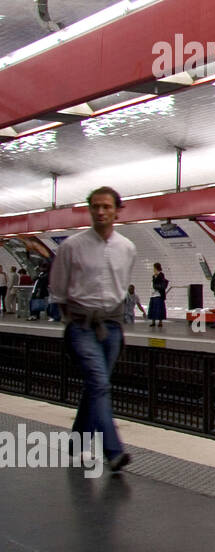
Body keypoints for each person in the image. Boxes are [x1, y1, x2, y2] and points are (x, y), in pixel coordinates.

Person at [48, 186, 136, 473]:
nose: (100, 212)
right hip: (81, 325)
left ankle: (76, 443)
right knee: (99, 384)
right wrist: (72, 320)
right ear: (89, 210)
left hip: (111, 326)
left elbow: (122, 288)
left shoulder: (127, 248)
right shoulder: (71, 246)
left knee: (94, 388)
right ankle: (114, 452)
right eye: (95, 207)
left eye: (106, 207)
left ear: (116, 210)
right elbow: (58, 290)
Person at [147, 262, 169, 327]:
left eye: (154, 268)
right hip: (153, 295)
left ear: (157, 268)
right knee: (153, 308)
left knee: (159, 309)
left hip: (158, 295)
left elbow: (160, 283)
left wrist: (156, 278)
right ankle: (153, 321)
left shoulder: (161, 275)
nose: (153, 270)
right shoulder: (154, 276)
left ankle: (160, 322)